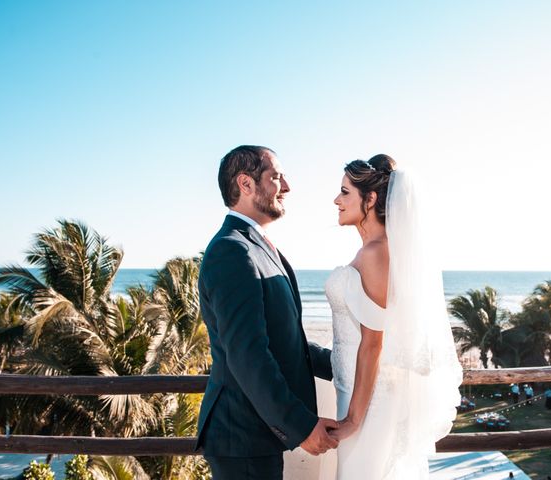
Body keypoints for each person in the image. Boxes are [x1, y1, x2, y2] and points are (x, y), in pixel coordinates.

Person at [195, 145, 337, 480]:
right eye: (276, 177)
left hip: (255, 438)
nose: (287, 186)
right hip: (241, 438)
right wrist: (301, 427)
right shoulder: (232, 250)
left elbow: (287, 342)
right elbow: (248, 355)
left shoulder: (258, 247)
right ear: (245, 184)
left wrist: (348, 365)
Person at [323, 155, 463, 478]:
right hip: (353, 393)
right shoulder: (372, 250)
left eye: (345, 192)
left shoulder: (377, 253)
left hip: (369, 408)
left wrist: (353, 421)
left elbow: (373, 343)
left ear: (370, 199)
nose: (336, 200)